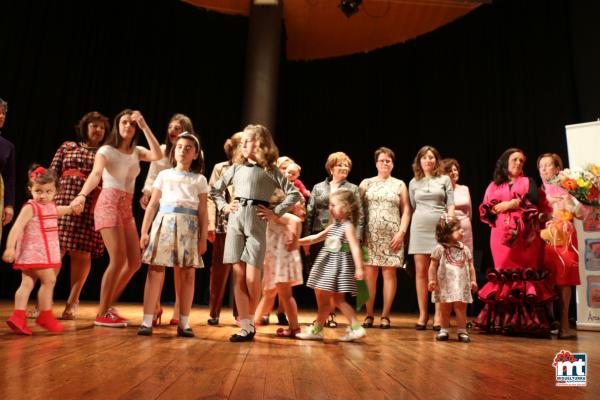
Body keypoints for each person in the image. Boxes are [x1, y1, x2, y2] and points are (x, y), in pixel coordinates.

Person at [70, 109, 162, 327]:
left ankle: (107, 305)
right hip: (108, 204)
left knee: (135, 262)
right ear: (117, 126)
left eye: (132, 124)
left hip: (126, 208)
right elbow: (95, 174)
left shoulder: (137, 151)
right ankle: (102, 313)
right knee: (119, 259)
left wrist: (145, 125)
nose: (128, 127)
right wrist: (82, 195)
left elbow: (158, 155)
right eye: (124, 122)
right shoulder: (106, 150)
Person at [210, 124, 301, 342]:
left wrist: (274, 212)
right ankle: (246, 326)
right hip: (235, 220)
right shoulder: (236, 168)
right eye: (243, 141)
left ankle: (250, 319)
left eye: (248, 140)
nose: (243, 144)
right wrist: (224, 206)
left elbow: (294, 193)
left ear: (260, 143)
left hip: (257, 222)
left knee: (253, 277)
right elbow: (214, 189)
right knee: (238, 275)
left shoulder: (271, 170)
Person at [138, 132, 207, 337]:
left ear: (196, 154)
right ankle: (147, 320)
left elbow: (203, 211)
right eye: (179, 147)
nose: (182, 151)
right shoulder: (164, 175)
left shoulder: (199, 179)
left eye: (188, 148)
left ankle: (184, 322)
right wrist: (144, 231)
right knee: (155, 270)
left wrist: (203, 237)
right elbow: (152, 206)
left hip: (189, 225)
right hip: (164, 222)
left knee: (187, 273)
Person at [475, 148, 550, 335]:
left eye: (521, 161)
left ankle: (526, 322)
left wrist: (512, 204)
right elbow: (486, 208)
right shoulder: (493, 185)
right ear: (505, 162)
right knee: (503, 273)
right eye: (514, 159)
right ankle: (502, 321)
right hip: (500, 235)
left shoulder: (527, 181)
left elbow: (533, 200)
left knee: (523, 274)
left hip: (524, 237)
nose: (518, 163)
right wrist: (496, 209)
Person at [50, 111, 109, 320]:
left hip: (89, 205)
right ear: (85, 127)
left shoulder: (105, 152)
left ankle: (73, 301)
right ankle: (44, 300)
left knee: (81, 253)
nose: (98, 130)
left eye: (102, 127)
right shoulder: (68, 146)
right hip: (62, 200)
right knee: (55, 250)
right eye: (94, 126)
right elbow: (52, 173)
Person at [3, 166, 75, 334]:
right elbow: (17, 228)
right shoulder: (31, 207)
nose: (43, 196)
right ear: (30, 190)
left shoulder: (50, 206)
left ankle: (18, 317)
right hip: (34, 251)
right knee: (49, 280)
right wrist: (9, 247)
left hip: (40, 253)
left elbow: (57, 211)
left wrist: (71, 208)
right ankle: (45, 315)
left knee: (27, 283)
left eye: (49, 191)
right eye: (39, 191)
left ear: (56, 190)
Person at [296, 189, 366, 341]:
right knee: (330, 302)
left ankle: (352, 327)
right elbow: (315, 238)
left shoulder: (347, 227)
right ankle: (321, 329)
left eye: (334, 205)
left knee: (332, 301)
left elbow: (355, 247)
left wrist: (360, 268)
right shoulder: (334, 226)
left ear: (346, 207)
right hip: (328, 266)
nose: (330, 208)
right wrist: (297, 242)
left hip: (335, 268)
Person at [304, 151, 364, 328]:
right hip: (320, 235)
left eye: (347, 165)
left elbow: (359, 216)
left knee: (336, 277)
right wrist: (305, 242)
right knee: (319, 279)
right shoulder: (318, 187)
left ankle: (329, 315)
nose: (344, 168)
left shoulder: (352, 188)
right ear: (331, 168)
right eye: (340, 165)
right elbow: (309, 213)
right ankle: (322, 314)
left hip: (342, 237)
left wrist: (357, 239)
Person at [360, 147, 410, 329]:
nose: (385, 163)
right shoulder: (366, 183)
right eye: (381, 160)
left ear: (393, 164)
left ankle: (385, 315)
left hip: (392, 237)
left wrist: (402, 232)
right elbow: (357, 210)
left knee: (389, 274)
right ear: (376, 163)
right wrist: (358, 235)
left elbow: (406, 211)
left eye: (388, 161)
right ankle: (369, 314)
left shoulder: (399, 184)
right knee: (369, 276)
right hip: (369, 236)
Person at [408, 145, 455, 331]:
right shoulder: (413, 182)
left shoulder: (444, 179)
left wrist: (449, 223)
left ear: (436, 160)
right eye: (424, 157)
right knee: (421, 272)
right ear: (419, 161)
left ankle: (438, 314)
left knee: (438, 272)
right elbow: (413, 206)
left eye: (431, 157)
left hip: (439, 229)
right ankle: (423, 314)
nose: (428, 160)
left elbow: (451, 205)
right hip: (419, 227)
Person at [537, 153, 580, 339]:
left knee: (564, 281)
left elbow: (579, 212)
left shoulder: (568, 188)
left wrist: (569, 203)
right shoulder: (537, 191)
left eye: (547, 165)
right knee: (547, 280)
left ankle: (564, 326)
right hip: (545, 238)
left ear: (557, 169)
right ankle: (549, 320)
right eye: (541, 166)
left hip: (565, 238)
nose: (544, 169)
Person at [253, 190, 304, 338]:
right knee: (269, 293)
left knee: (285, 295)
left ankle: (294, 327)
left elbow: (296, 221)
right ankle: (254, 321)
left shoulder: (278, 215)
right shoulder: (271, 217)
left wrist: (294, 240)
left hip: (281, 261)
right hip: (274, 261)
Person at [206, 132, 241, 326]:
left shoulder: (253, 169)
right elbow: (212, 196)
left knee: (241, 272)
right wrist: (210, 224)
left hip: (244, 227)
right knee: (219, 271)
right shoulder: (221, 168)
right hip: (223, 226)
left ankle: (240, 314)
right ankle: (214, 313)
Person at [427, 216, 477, 342]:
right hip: (446, 285)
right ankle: (444, 329)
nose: (462, 231)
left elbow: (471, 266)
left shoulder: (464, 249)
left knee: (461, 308)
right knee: (445, 308)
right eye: (457, 229)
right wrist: (432, 280)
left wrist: (473, 280)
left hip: (461, 285)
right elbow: (432, 266)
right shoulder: (440, 249)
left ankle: (462, 331)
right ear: (447, 233)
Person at [441, 158, 473, 254]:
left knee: (467, 257)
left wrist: (465, 223)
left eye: (455, 170)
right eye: (450, 171)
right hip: (449, 230)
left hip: (466, 229)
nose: (454, 173)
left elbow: (470, 211)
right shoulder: (441, 191)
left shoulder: (465, 188)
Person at [0, 97, 16, 238]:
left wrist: (9, 205)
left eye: (3, 113)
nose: (1, 116)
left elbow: (9, 178)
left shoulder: (8, 146)